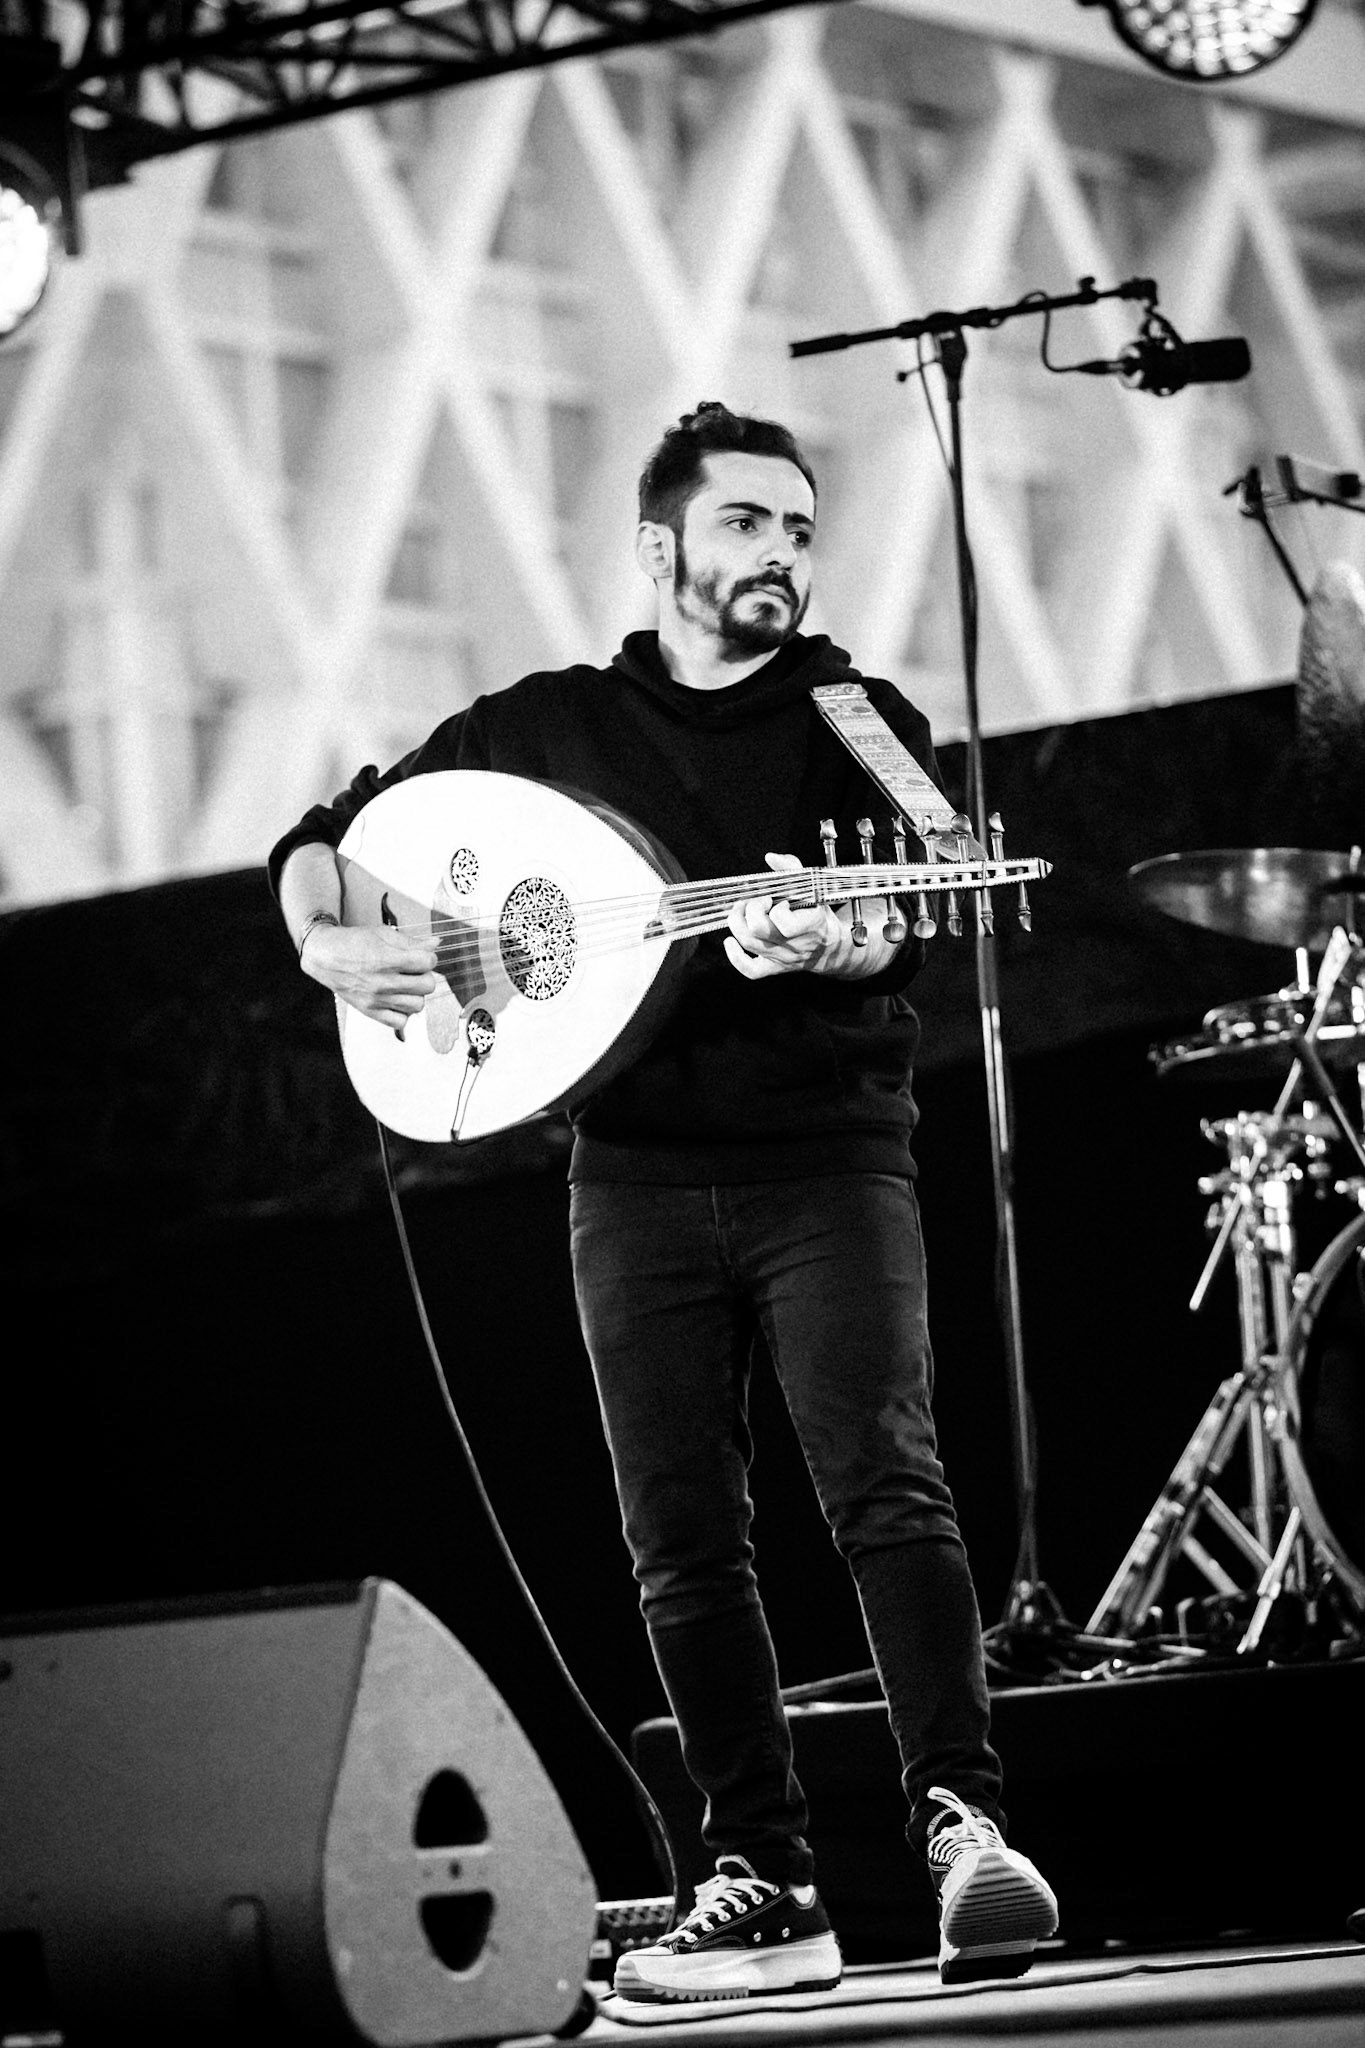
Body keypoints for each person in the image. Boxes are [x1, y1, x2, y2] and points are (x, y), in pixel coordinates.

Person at [268, 402, 1058, 2001]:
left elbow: (928, 884)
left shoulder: (856, 713)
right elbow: (325, 841)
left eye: (798, 529)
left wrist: (843, 942)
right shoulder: (545, 724)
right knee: (677, 1539)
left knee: (884, 1486)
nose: (781, 553)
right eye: (749, 523)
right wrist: (329, 935)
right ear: (660, 547)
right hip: (627, 1177)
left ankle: (963, 1823)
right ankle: (761, 1881)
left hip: (827, 1158)